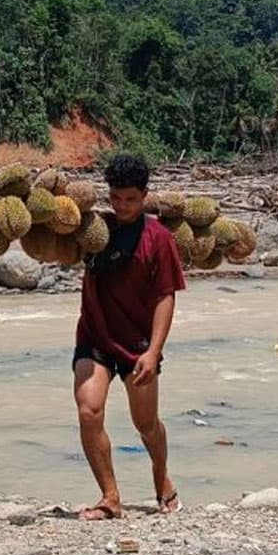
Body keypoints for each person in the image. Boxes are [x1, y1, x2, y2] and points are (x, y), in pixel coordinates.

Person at [73, 153, 187, 520]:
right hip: (95, 335)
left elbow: (165, 297)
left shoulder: (159, 239)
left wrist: (154, 352)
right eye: (116, 199)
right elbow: (48, 236)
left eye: (131, 200)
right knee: (89, 411)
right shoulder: (92, 230)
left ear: (145, 196)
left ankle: (161, 477)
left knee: (147, 425)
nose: (122, 207)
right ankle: (110, 498)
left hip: (139, 345)